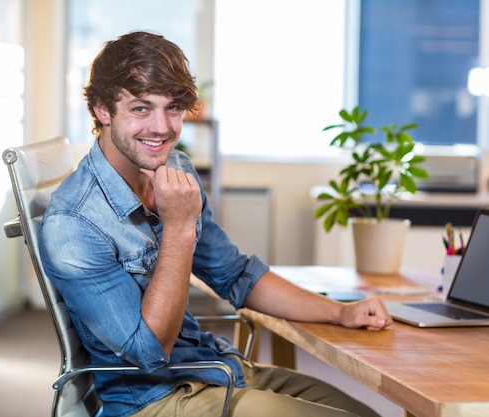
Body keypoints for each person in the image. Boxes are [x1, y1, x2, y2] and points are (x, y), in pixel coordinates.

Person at [40, 31, 392, 417]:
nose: (162, 127)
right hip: (157, 399)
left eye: (172, 107)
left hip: (218, 369)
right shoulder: (73, 223)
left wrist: (340, 312)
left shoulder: (172, 169)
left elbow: (235, 274)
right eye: (141, 108)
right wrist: (178, 229)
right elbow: (149, 353)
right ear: (102, 110)